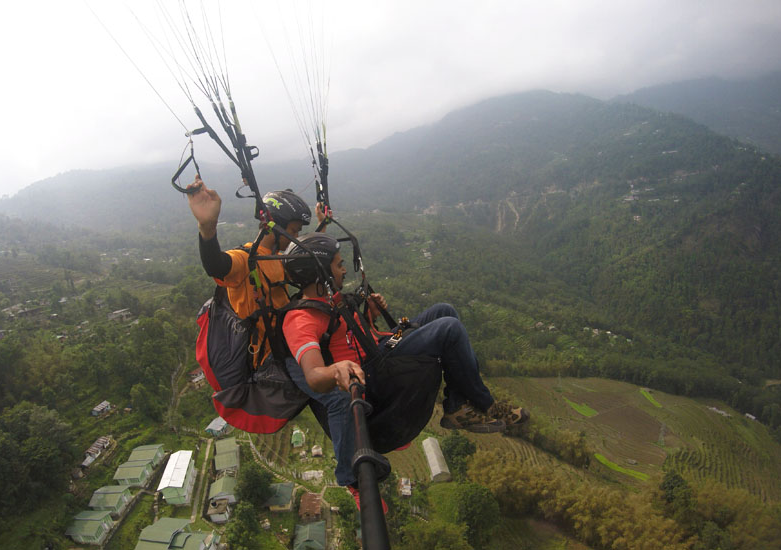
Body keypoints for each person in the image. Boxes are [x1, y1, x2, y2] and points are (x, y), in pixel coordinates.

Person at [281, 233, 529, 495]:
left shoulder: (332, 299)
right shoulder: (302, 318)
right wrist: (335, 371)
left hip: (383, 346)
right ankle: (487, 406)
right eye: (339, 265)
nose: (344, 270)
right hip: (375, 374)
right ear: (321, 273)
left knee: (444, 311)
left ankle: (455, 407)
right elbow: (313, 375)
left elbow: (351, 336)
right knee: (450, 329)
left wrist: (371, 317)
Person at [186, 175, 323, 365]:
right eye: (293, 230)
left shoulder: (276, 258)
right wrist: (207, 227)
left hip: (286, 343)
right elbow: (215, 265)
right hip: (267, 358)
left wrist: (322, 226)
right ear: (272, 226)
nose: (296, 237)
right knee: (335, 394)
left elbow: (307, 267)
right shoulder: (246, 259)